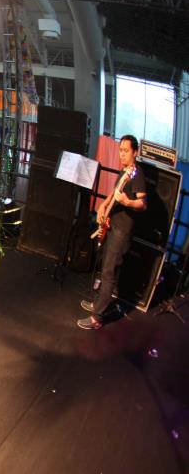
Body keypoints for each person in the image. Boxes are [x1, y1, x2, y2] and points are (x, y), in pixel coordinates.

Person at [78, 134, 147, 330]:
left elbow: (143, 203)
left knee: (109, 272)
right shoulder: (125, 171)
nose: (121, 154)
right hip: (113, 224)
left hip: (122, 231)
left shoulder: (137, 174)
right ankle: (98, 304)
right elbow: (114, 192)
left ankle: (97, 318)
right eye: (120, 150)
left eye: (126, 151)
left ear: (135, 152)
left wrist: (127, 202)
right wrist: (103, 205)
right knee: (105, 266)